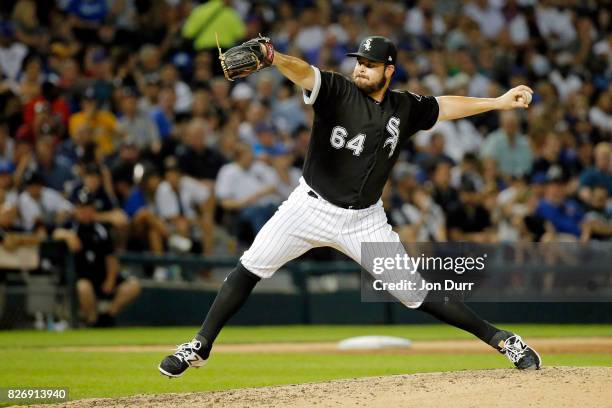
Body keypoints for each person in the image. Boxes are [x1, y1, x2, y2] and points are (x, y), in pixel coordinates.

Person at [159, 35, 541, 377]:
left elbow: (445, 105)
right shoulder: (337, 92)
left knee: (414, 293)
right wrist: (273, 56)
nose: (361, 67)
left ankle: (503, 340)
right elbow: (305, 72)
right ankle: (200, 345)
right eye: (359, 60)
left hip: (365, 221)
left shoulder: (404, 107)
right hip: (308, 207)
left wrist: (497, 102)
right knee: (249, 267)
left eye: (370, 64)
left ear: (388, 70)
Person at [53, 190, 140, 327]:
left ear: (93, 209)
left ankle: (107, 316)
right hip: (82, 279)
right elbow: (55, 233)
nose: (85, 211)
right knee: (83, 287)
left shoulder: (101, 229)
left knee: (133, 285)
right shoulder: (71, 226)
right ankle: (93, 322)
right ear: (76, 209)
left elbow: (111, 257)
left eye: (88, 207)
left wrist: (111, 280)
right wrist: (67, 235)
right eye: (82, 207)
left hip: (102, 277)